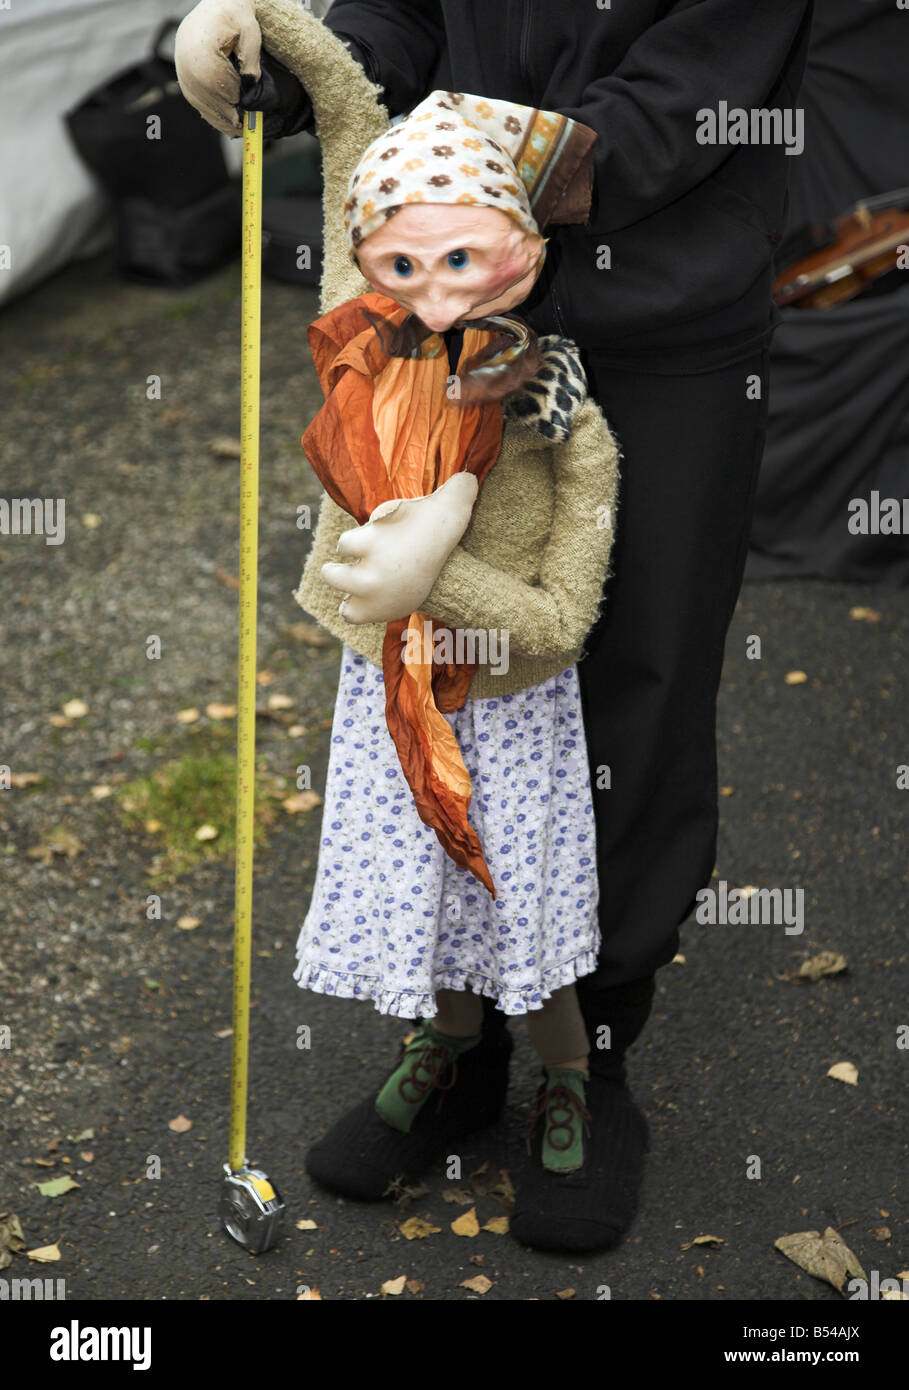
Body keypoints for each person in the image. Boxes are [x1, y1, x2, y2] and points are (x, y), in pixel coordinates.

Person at [175, 0, 815, 1253]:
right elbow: (401, 15)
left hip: (662, 312)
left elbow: (699, 79)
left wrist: (459, 159)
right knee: (443, 668)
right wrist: (289, 50)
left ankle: (590, 1055)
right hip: (442, 297)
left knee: (637, 669)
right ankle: (456, 1029)